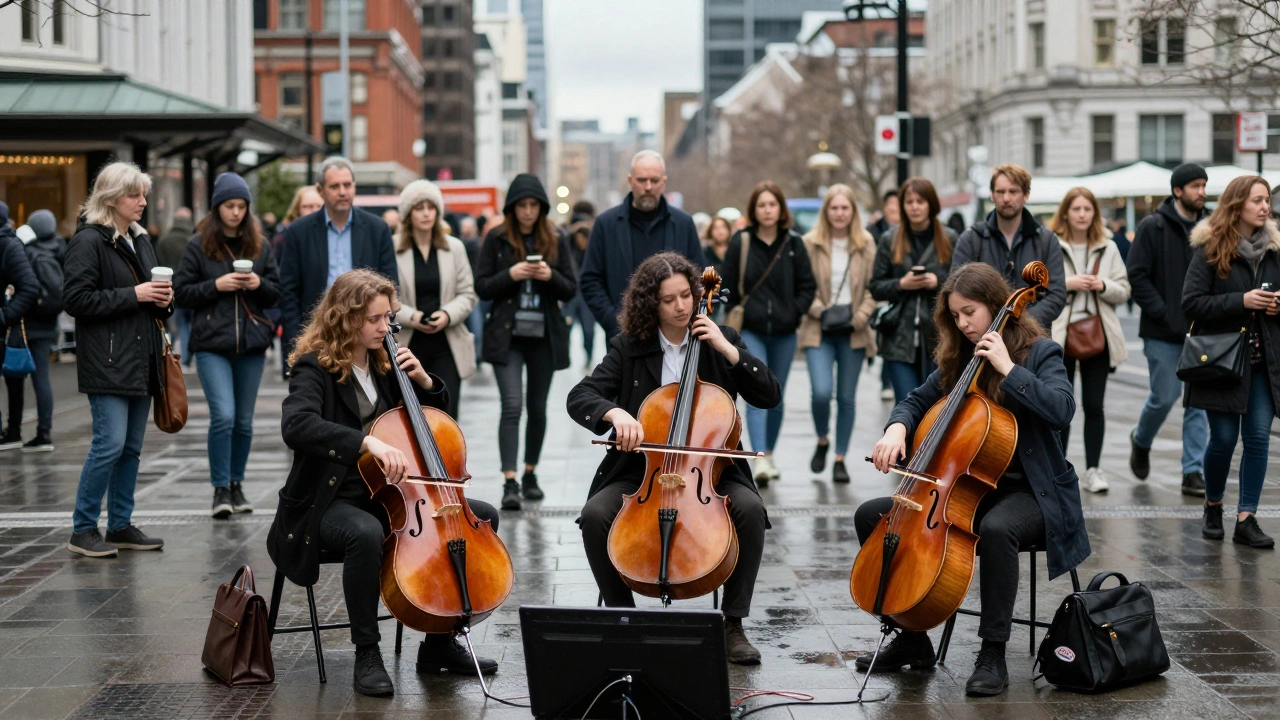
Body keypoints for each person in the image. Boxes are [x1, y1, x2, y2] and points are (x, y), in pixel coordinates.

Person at [855, 262, 1088, 696]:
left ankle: (992, 653)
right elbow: (915, 400)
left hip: (1032, 490)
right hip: (968, 487)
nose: (962, 324)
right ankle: (911, 637)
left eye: (970, 312)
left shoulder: (1041, 352)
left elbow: (1062, 409)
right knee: (873, 517)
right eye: (955, 316)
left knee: (999, 531)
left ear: (997, 306)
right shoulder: (959, 359)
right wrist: (897, 428)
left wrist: (1009, 369)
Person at [268, 269, 501, 698]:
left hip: (390, 494)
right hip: (329, 499)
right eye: (376, 319)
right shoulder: (314, 366)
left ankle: (439, 645)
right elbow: (296, 425)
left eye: (389, 317)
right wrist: (364, 441)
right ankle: (367, 653)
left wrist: (426, 382)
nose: (386, 327)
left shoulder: (386, 361)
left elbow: (430, 424)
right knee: (365, 533)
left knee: (480, 516)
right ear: (347, 318)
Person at [568, 252, 780, 665]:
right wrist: (615, 413)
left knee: (752, 510)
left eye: (687, 295)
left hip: (711, 472)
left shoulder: (722, 339)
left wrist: (727, 348)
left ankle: (733, 623)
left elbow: (769, 394)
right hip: (642, 471)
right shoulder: (630, 347)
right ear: (652, 305)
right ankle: (621, 615)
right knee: (595, 515)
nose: (682, 306)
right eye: (670, 300)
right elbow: (581, 396)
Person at [63, 162, 171, 558]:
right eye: (135, 195)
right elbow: (75, 300)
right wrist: (137, 295)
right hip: (107, 359)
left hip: (141, 358)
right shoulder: (89, 241)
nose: (143, 202)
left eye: (143, 193)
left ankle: (120, 524)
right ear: (111, 199)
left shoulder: (139, 238)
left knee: (131, 448)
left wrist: (163, 300)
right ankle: (83, 528)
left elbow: (150, 298)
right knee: (108, 445)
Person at [174, 173, 280, 519]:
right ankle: (220, 488)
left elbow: (276, 292)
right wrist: (216, 285)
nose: (235, 212)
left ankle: (236, 484)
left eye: (241, 206)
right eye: (229, 206)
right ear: (217, 207)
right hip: (211, 344)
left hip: (250, 345)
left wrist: (257, 282)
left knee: (244, 422)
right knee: (224, 416)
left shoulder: (260, 246)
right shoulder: (199, 244)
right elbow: (183, 293)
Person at [1182, 176, 1279, 548]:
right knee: (1222, 439)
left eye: (1267, 200)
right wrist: (1242, 300)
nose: (1265, 207)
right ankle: (1213, 504)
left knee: (1257, 438)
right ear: (1237, 204)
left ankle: (1246, 517)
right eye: (1257, 200)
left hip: (1262, 363)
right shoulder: (1210, 248)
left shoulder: (1274, 249)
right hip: (1221, 362)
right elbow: (1191, 304)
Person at [475, 173, 577, 510]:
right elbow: (482, 287)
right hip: (508, 337)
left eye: (534, 205)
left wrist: (549, 276)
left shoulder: (556, 239)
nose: (528, 212)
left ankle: (530, 472)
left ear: (543, 208)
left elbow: (570, 288)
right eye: (522, 205)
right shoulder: (497, 238)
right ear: (512, 208)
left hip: (543, 338)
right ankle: (509, 480)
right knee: (512, 405)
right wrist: (512, 274)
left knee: (537, 407)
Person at [722, 181, 816, 485]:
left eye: (772, 204)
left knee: (776, 395)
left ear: (780, 209)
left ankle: (770, 454)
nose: (767, 210)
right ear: (754, 209)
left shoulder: (793, 244)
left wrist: (794, 312)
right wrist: (739, 311)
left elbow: (807, 286)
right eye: (761, 205)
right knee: (756, 390)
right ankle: (759, 457)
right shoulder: (742, 241)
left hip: (786, 333)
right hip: (752, 331)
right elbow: (726, 283)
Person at [1126, 163, 1211, 496]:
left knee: (1198, 403)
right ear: (1177, 191)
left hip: (1203, 330)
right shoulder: (1153, 226)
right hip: (1162, 332)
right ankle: (1141, 438)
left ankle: (1192, 470)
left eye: (1204, 185)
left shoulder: (1211, 227)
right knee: (1165, 397)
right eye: (1194, 186)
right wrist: (1164, 312)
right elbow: (1138, 275)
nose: (1201, 192)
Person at [1048, 187, 1130, 493]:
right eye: (1076, 209)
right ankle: (1060, 469)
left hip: (1098, 336)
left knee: (1094, 405)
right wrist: (1067, 283)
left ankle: (1093, 469)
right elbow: (1041, 286)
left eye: (1087, 209)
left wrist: (1102, 284)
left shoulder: (1107, 247)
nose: (1082, 214)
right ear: (1066, 212)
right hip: (1061, 337)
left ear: (1094, 213)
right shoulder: (1052, 245)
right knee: (1061, 408)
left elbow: (1124, 290)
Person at [579, 150, 706, 339]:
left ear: (663, 182)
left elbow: (699, 276)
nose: (648, 187)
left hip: (676, 335)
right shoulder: (606, 224)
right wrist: (614, 322)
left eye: (654, 181)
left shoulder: (683, 223)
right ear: (630, 181)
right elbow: (590, 279)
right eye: (642, 180)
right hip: (623, 338)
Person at [278, 157, 398, 358]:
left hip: (365, 333)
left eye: (347, 185)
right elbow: (288, 293)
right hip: (316, 335)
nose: (342, 192)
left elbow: (390, 284)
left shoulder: (377, 229)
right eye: (334, 186)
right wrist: (296, 341)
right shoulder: (298, 232)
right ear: (320, 190)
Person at [799, 184, 877, 483]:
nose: (840, 213)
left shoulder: (866, 243)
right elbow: (803, 285)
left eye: (845, 208)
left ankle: (840, 458)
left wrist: (860, 316)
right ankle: (822, 439)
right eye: (834, 208)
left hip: (853, 330)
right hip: (819, 327)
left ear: (853, 211)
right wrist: (820, 310)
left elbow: (873, 287)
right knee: (820, 392)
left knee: (846, 397)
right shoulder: (810, 242)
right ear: (826, 211)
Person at [391, 179, 477, 419]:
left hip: (446, 343)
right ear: (408, 213)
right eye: (419, 208)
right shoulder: (393, 248)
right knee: (410, 415)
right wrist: (412, 316)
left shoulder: (455, 247)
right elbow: (386, 298)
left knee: (447, 415)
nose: (426, 213)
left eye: (431, 207)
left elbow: (468, 293)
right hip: (408, 342)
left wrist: (447, 314)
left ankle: (448, 458)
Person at [869, 178, 955, 402]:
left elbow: (963, 284)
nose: (915, 207)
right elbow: (876, 287)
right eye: (909, 202)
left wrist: (938, 282)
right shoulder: (890, 240)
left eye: (920, 201)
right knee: (906, 405)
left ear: (931, 204)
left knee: (934, 407)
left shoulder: (949, 239)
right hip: (899, 338)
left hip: (938, 337)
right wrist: (901, 284)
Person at [951, 164, 1066, 328]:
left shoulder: (1046, 240)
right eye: (1000, 192)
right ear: (992, 195)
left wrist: (1019, 321)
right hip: (985, 336)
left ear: (1026, 195)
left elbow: (1057, 294)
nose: (1006, 198)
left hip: (1034, 339)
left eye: (1013, 191)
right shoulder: (971, 239)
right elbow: (957, 291)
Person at [3, 210, 65, 452]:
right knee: (42, 379)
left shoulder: (28, 252)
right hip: (49, 324)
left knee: (14, 375)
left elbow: (24, 287)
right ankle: (44, 432)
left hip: (26, 325)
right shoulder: (59, 249)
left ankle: (15, 430)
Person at [0, 201, 38, 450]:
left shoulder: (8, 245)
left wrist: (5, 316)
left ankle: (13, 431)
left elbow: (30, 286)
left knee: (14, 377)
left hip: (4, 330)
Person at [156, 207, 194, 369]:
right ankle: (187, 356)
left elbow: (158, 263)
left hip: (170, 287)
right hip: (191, 288)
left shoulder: (164, 241)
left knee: (175, 325)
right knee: (190, 324)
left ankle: (173, 356)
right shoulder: (193, 240)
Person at [564, 201, 598, 368]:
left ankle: (589, 356)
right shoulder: (567, 241)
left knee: (588, 330)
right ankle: (564, 355)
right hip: (571, 292)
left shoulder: (594, 240)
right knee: (566, 325)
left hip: (587, 293)